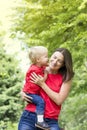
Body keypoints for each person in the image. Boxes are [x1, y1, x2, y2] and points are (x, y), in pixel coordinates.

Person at [18, 48, 74, 130]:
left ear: (63, 64)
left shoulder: (66, 78)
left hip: (50, 121)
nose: (55, 62)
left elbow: (59, 100)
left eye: (59, 61)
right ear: (50, 56)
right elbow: (28, 85)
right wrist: (22, 93)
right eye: (54, 57)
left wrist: (42, 84)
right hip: (30, 116)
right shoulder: (39, 69)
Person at [22, 46, 49, 129]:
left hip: (31, 92)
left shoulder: (37, 67)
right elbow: (41, 81)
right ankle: (40, 121)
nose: (48, 58)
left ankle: (39, 120)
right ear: (38, 60)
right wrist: (46, 74)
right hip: (31, 93)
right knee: (41, 102)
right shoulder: (35, 70)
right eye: (46, 57)